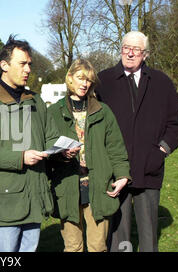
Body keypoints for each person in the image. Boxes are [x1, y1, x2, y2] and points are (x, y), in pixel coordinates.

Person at [0, 35, 59, 252]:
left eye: (29, 64)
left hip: (35, 197)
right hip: (5, 205)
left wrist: (62, 149)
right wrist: (20, 158)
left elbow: (51, 135)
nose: (28, 69)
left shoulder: (35, 100)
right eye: (22, 64)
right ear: (4, 65)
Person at [96, 31, 178, 252]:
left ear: (145, 54)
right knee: (120, 238)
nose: (130, 53)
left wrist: (161, 151)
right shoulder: (103, 81)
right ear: (120, 49)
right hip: (116, 172)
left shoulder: (161, 82)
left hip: (149, 169)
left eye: (136, 49)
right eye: (126, 47)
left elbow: (176, 125)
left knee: (148, 236)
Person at [47, 59, 131, 252]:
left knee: (97, 247)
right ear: (69, 78)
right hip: (67, 187)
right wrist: (60, 155)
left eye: (89, 80)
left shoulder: (104, 112)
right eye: (80, 78)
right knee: (73, 247)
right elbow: (45, 148)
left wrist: (122, 176)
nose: (84, 84)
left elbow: (116, 148)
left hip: (98, 187)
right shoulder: (53, 112)